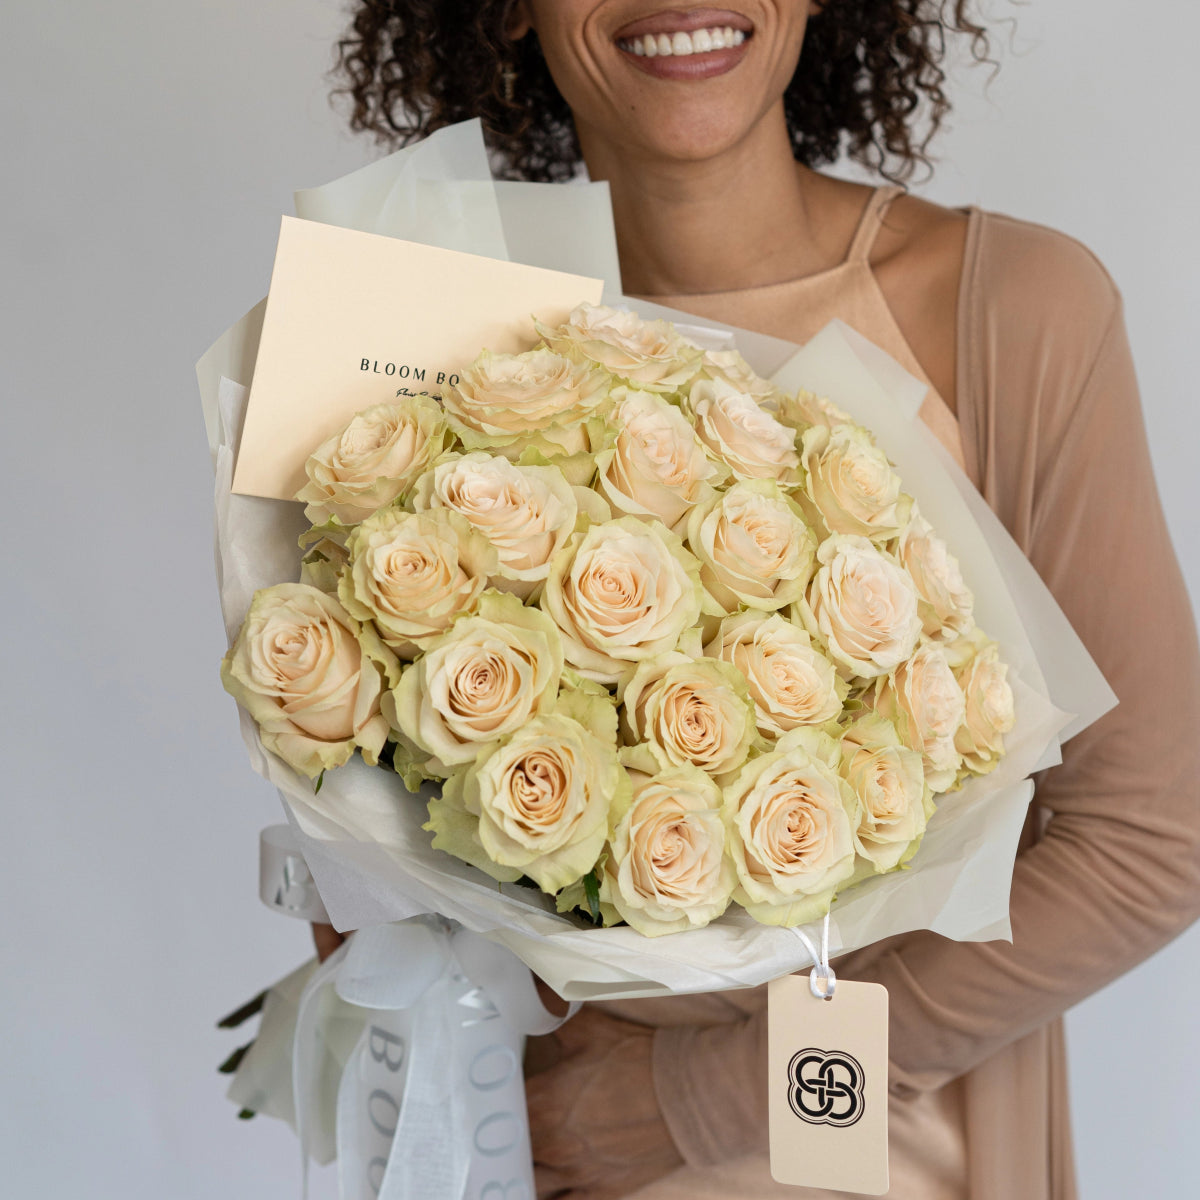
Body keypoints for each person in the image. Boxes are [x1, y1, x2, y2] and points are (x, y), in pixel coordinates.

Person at [315, 3, 1200, 1197]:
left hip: (890, 1157)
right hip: (551, 1143)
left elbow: (1154, 844)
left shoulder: (1013, 307)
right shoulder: (420, 355)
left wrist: (705, 1103)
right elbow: (366, 846)